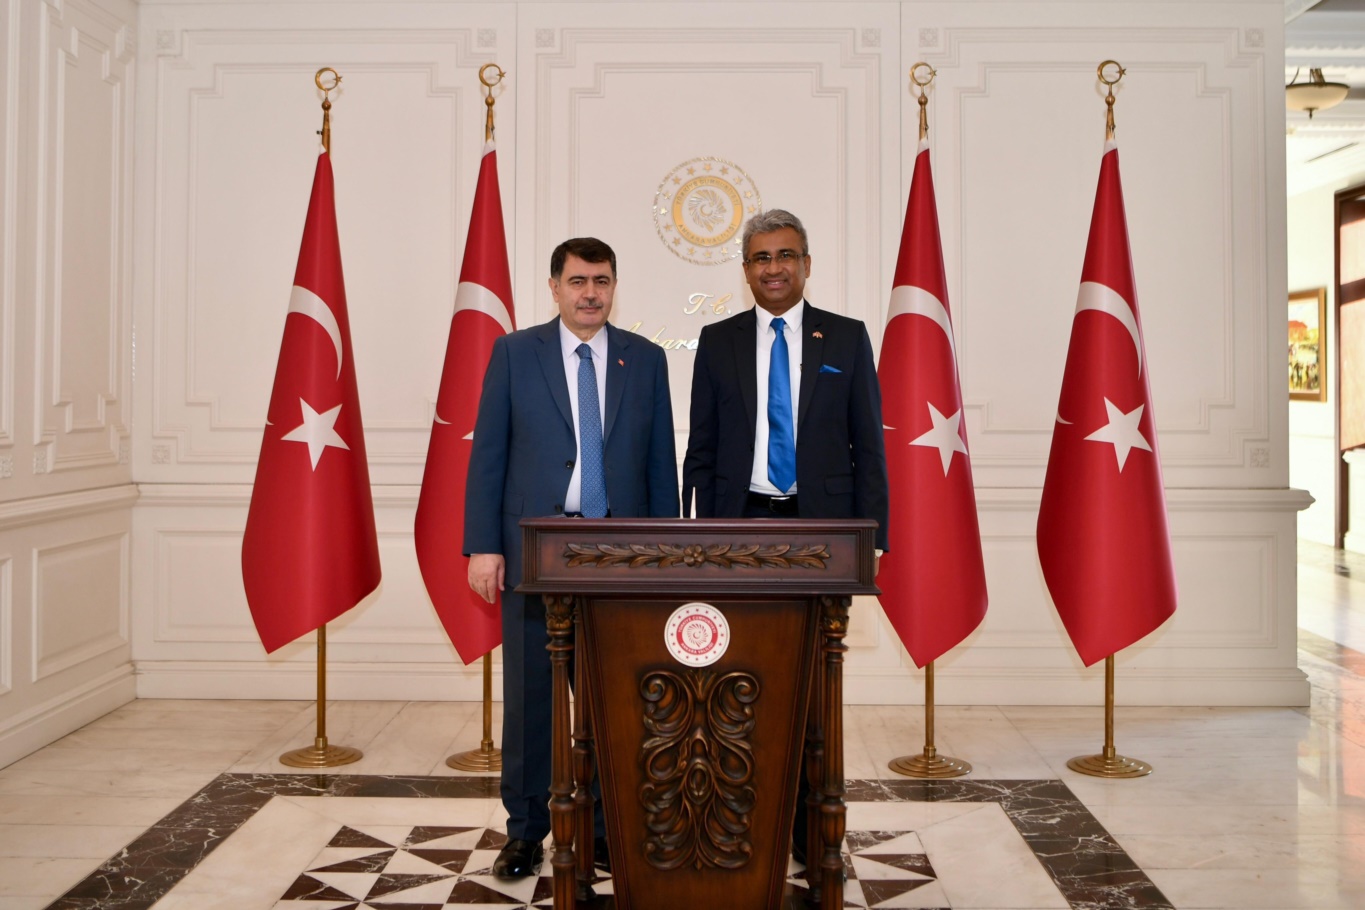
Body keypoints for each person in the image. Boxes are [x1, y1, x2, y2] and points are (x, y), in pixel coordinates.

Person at [464, 237, 680, 878]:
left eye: (602, 281)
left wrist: (666, 553)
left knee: (614, 695)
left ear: (614, 287)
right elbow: (488, 456)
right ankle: (526, 831)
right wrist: (483, 545)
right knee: (531, 697)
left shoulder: (645, 359)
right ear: (555, 287)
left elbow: (660, 462)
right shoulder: (514, 353)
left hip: (621, 553)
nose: (591, 293)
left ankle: (609, 828)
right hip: (535, 547)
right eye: (579, 281)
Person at [681, 208, 889, 864]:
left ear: (805, 263)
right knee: (733, 676)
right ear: (745, 270)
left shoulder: (846, 338)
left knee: (810, 682)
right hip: (735, 527)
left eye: (785, 255)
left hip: (820, 534)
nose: (773, 268)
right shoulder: (718, 341)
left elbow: (867, 445)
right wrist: (691, 534)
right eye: (761, 258)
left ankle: (806, 824)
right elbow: (702, 447)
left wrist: (873, 538)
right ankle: (738, 814)